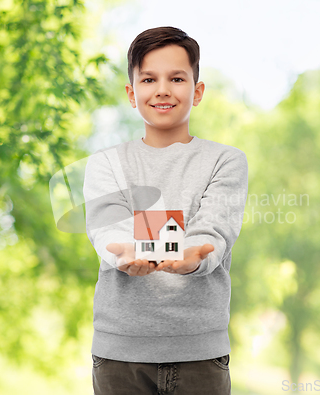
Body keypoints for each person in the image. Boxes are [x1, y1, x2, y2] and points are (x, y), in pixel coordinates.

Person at [83, 26, 248, 395]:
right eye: (148, 79)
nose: (162, 89)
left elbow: (214, 229)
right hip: (119, 353)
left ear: (197, 90)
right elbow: (108, 230)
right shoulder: (105, 163)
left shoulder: (227, 161)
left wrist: (194, 256)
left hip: (200, 353)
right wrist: (124, 252)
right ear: (131, 93)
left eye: (177, 78)